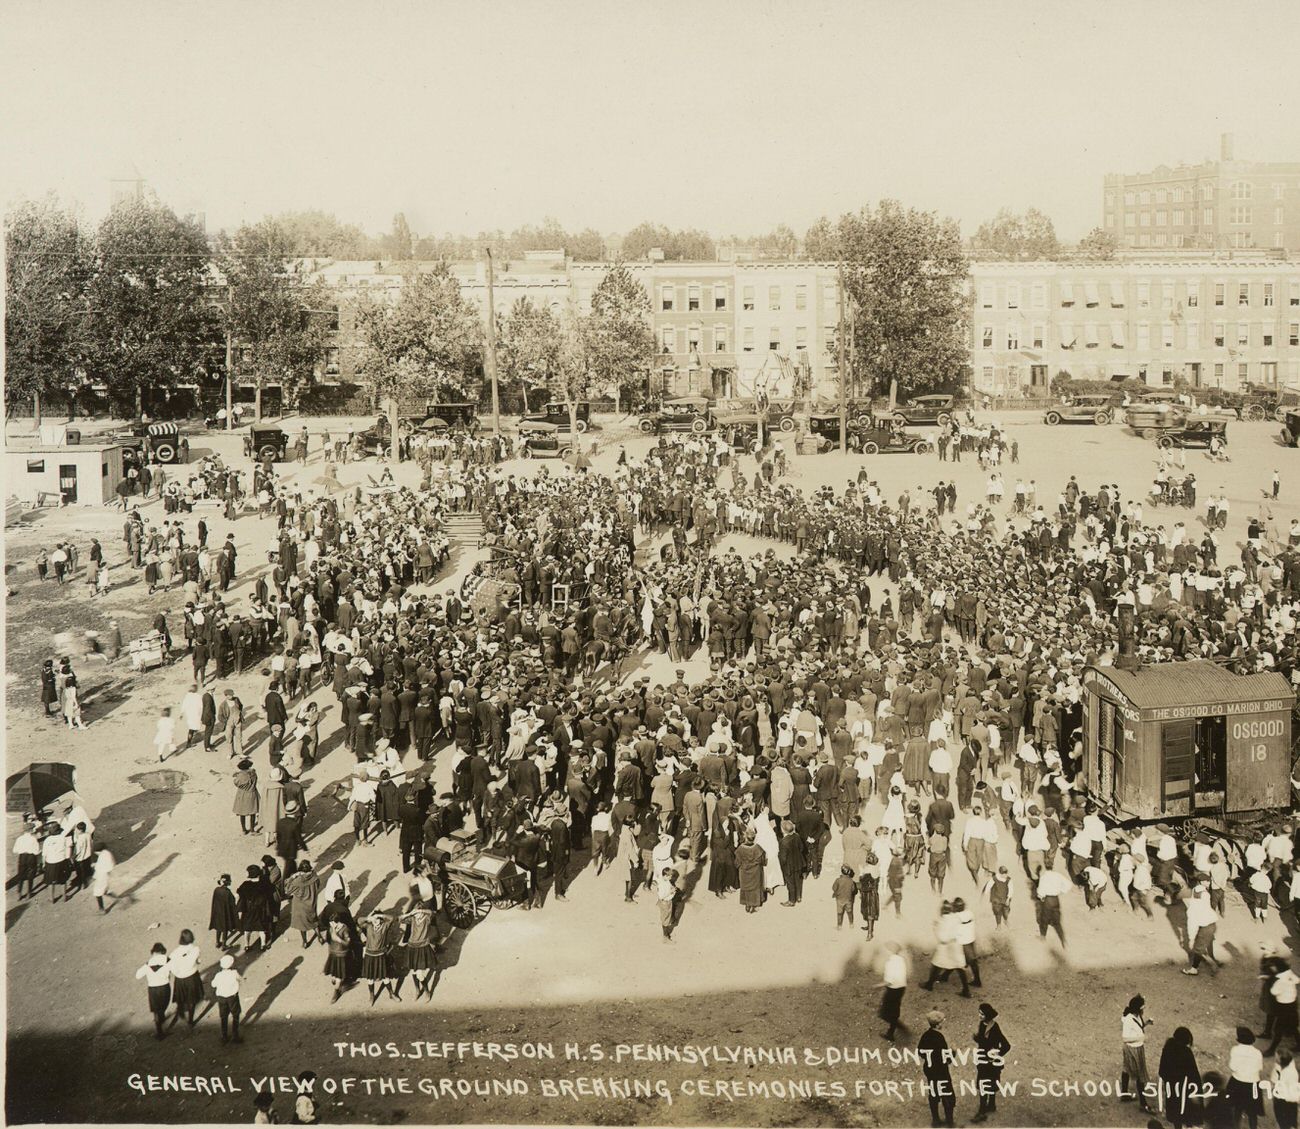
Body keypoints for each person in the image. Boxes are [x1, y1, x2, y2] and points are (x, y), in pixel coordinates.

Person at [972, 1003, 1011, 1123]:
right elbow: (983, 1040)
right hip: (983, 1061)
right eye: (979, 1012)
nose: (979, 1015)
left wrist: (997, 1055)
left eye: (982, 1014)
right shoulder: (982, 1024)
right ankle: (991, 1105)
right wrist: (977, 1038)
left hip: (991, 1063)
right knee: (991, 1083)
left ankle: (982, 1111)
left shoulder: (994, 1028)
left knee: (985, 1085)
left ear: (987, 1015)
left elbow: (1006, 1045)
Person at [1158, 1027, 1203, 1129]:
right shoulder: (1186, 1052)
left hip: (1172, 1087)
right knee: (1187, 1108)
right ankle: (1189, 1126)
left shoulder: (1167, 1048)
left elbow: (1162, 1070)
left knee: (1175, 1111)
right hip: (1184, 1087)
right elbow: (1193, 1073)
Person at [918, 1010, 957, 1128]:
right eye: (941, 1021)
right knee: (947, 1094)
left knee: (933, 1093)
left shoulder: (926, 1035)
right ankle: (949, 1121)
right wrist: (953, 1052)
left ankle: (935, 1120)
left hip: (930, 1070)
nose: (943, 1023)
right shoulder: (939, 1038)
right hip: (941, 1071)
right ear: (937, 1024)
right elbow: (945, 1058)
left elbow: (920, 1051)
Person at [1122, 995, 1157, 1115]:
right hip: (1133, 1049)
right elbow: (1125, 1038)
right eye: (1142, 1007)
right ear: (1137, 1009)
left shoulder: (1137, 1016)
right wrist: (1140, 1037)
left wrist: (1146, 1023)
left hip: (1137, 1048)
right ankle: (1143, 1104)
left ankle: (1124, 1093)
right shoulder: (1128, 1020)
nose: (1144, 1008)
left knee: (1126, 1069)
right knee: (1140, 1076)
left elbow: (1139, 1028)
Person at [1225, 1026, 1264, 1129]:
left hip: (1238, 1082)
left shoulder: (1235, 1050)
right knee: (1252, 1112)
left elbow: (1232, 1067)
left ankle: (1236, 1126)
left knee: (1237, 1108)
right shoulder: (1257, 1053)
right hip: (1253, 1084)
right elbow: (1260, 1068)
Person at [401, 901, 439, 1000]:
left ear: (422, 912)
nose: (417, 915)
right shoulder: (412, 918)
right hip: (412, 947)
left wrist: (421, 910)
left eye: (419, 913)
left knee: (420, 974)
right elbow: (400, 919)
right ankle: (417, 990)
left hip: (422, 948)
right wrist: (410, 913)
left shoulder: (427, 919)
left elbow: (432, 913)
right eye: (416, 913)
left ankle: (427, 992)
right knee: (413, 971)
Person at [136, 942, 172, 1040]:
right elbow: (175, 969)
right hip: (165, 987)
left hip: (153, 989)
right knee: (164, 1004)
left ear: (153, 953)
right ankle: (161, 1018)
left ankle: (159, 1031)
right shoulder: (168, 961)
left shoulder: (148, 964)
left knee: (156, 1009)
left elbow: (138, 975)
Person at [168, 929, 204, 1027]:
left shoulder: (174, 953)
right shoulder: (196, 949)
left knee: (180, 997)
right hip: (192, 977)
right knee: (192, 1000)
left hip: (180, 978)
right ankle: (191, 1021)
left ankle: (180, 1011)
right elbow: (199, 961)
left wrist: (178, 973)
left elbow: (171, 968)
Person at [211, 954, 243, 1044]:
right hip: (232, 997)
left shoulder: (218, 975)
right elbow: (240, 979)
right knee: (235, 1014)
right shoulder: (234, 973)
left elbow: (213, 984)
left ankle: (224, 1036)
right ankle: (235, 1035)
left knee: (223, 1016)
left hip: (221, 998)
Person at [879, 941, 907, 1041]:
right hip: (901, 988)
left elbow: (889, 982)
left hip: (893, 990)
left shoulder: (890, 963)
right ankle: (892, 1030)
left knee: (884, 1014)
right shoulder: (900, 959)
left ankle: (896, 1028)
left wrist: (877, 986)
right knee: (894, 1010)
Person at [210, 873, 239, 949]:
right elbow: (232, 902)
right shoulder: (227, 892)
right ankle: (224, 944)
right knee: (225, 929)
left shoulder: (216, 890)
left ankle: (217, 942)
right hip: (225, 913)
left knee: (218, 928)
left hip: (218, 912)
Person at [1271, 1051, 1299, 1129]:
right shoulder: (1285, 1066)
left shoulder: (1289, 1073)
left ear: (1281, 1061)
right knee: (1288, 1121)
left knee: (1284, 1121)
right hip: (1286, 1100)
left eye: (1276, 1058)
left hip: (1284, 1100)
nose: (1275, 1059)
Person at [832, 864, 856, 929]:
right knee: (850, 912)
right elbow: (853, 889)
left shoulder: (838, 880)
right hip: (848, 899)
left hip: (839, 899)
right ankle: (851, 924)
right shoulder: (851, 881)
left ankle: (839, 926)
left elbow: (834, 888)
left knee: (839, 913)